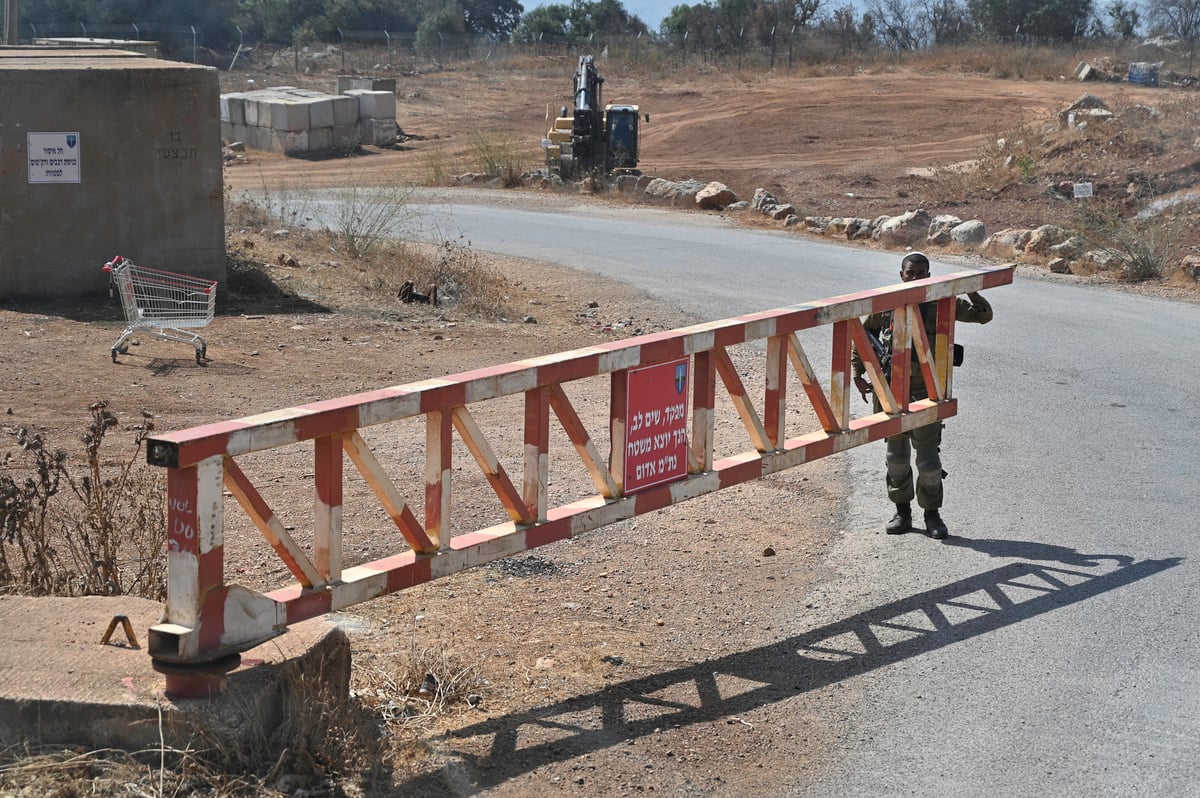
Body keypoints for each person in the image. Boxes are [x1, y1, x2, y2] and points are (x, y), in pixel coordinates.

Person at [851, 251, 993, 539]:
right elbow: (864, 337)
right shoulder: (886, 304)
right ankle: (902, 512)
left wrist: (971, 291)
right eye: (909, 273)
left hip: (926, 391)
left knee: (928, 462)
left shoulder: (942, 302)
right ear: (901, 275)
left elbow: (984, 316)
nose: (914, 278)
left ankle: (932, 515)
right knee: (896, 458)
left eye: (920, 274)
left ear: (929, 276)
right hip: (890, 388)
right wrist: (857, 374)